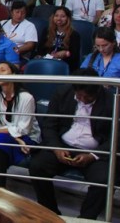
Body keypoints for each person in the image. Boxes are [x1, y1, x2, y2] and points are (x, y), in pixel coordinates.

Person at [29, 68, 116, 219]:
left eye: (87, 97)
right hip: (63, 145)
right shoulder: (63, 93)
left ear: (97, 91)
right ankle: (50, 213)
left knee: (105, 179)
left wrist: (92, 155)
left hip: (95, 151)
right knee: (37, 166)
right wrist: (56, 148)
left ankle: (86, 219)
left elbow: (116, 137)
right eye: (79, 95)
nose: (82, 99)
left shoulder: (111, 101)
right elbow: (49, 125)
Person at [0, 62, 41, 187]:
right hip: (9, 137)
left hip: (28, 137)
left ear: (13, 74)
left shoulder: (26, 97)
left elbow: (24, 129)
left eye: (3, 70)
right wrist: (14, 138)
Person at [37, 6, 81, 72]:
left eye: (63, 16)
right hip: (46, 62)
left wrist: (65, 53)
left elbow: (74, 56)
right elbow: (40, 49)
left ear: (68, 18)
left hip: (65, 64)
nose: (59, 18)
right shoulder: (47, 31)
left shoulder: (74, 34)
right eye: (56, 16)